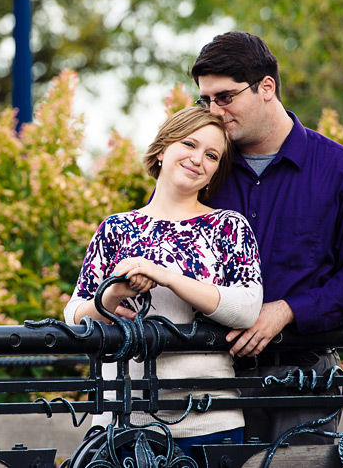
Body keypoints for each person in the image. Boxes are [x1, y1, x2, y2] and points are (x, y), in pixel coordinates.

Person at [190, 31, 343, 444]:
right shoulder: (200, 171)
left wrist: (289, 310)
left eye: (225, 97)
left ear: (267, 87)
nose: (214, 111)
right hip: (210, 375)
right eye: (205, 100)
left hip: (305, 375)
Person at [63, 107, 263, 455]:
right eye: (189, 143)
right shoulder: (115, 228)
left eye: (211, 155)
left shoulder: (229, 226)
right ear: (161, 149)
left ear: (215, 172)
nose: (198, 158)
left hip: (209, 423)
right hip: (120, 423)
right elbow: (74, 317)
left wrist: (168, 277)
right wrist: (111, 297)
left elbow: (246, 310)